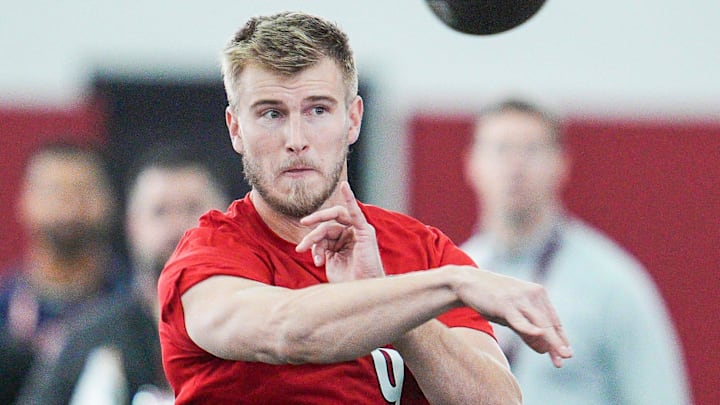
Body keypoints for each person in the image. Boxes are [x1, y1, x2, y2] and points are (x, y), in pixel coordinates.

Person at [158, 11, 572, 404]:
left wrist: (394, 302)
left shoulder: (422, 251)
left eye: (318, 110)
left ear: (353, 119)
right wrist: (450, 285)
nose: (296, 138)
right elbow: (287, 330)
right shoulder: (207, 256)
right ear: (236, 130)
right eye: (271, 114)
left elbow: (498, 400)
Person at [460, 98, 692, 404]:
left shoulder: (610, 283)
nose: (515, 166)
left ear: (561, 164)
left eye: (531, 150)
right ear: (471, 164)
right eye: (500, 149)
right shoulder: (459, 275)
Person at [16, 142, 231, 404]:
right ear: (132, 225)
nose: (177, 227)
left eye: (191, 208)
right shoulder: (88, 336)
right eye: (159, 211)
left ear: (224, 219)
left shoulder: (260, 327)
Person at [0, 142, 129, 401]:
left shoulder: (135, 302)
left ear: (110, 201)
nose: (69, 205)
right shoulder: (4, 306)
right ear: (24, 201)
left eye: (83, 191)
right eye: (54, 192)